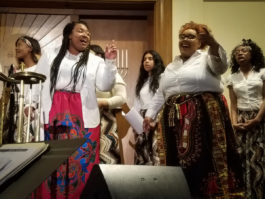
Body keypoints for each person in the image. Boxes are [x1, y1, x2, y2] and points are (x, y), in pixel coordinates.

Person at [143, 21, 245, 198]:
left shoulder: (208, 57)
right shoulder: (171, 66)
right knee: (175, 163)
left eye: (191, 36)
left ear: (200, 42)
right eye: (182, 36)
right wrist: (149, 115)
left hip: (203, 118)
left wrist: (213, 44)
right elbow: (162, 92)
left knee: (203, 161)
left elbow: (221, 66)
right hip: (173, 122)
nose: (185, 39)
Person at [30, 21, 117, 199]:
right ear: (69, 35)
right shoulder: (51, 55)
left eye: (88, 33)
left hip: (84, 114)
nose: (85, 35)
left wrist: (109, 62)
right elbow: (38, 81)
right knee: (52, 160)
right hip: (54, 111)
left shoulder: (95, 60)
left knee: (81, 161)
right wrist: (31, 104)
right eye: (80, 31)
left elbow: (105, 84)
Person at [226, 39, 265, 199]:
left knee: (258, 159)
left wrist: (256, 119)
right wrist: (234, 123)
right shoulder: (232, 77)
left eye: (244, 51)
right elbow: (233, 105)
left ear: (252, 54)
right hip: (240, 119)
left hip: (260, 118)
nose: (239, 53)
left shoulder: (262, 73)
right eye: (237, 52)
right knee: (241, 157)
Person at [90, 44, 127, 164]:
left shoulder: (111, 73)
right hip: (86, 119)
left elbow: (122, 98)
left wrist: (102, 102)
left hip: (106, 120)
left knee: (107, 157)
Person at [132, 50, 165, 165]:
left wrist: (153, 118)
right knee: (142, 151)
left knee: (155, 149)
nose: (146, 61)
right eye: (144, 59)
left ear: (156, 61)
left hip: (156, 117)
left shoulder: (162, 77)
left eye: (150, 59)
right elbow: (137, 103)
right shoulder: (143, 81)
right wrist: (135, 122)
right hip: (142, 118)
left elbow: (161, 100)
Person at [14, 36, 42, 142]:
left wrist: (31, 106)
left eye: (20, 45)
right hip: (18, 116)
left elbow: (39, 91)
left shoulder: (39, 69)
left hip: (33, 114)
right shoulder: (16, 72)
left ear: (30, 48)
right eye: (16, 46)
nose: (17, 48)